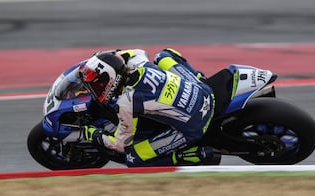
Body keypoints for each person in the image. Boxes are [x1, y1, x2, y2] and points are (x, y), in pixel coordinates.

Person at [79, 48, 219, 166]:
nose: (95, 90)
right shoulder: (139, 62)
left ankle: (190, 155)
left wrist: (93, 134)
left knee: (132, 158)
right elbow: (136, 52)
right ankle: (198, 76)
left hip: (196, 125)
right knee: (164, 55)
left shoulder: (126, 103)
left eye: (97, 85)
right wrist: (112, 57)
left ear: (110, 79)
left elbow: (120, 145)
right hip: (205, 92)